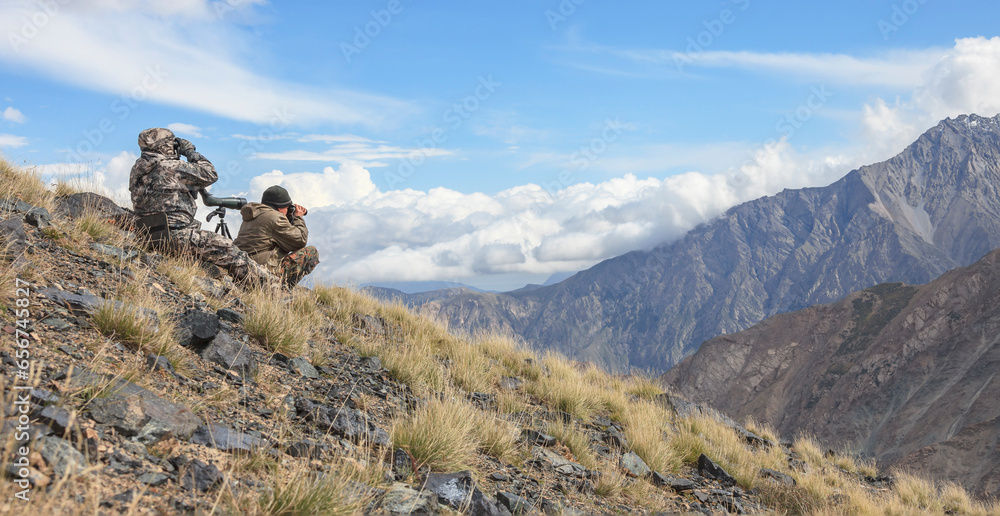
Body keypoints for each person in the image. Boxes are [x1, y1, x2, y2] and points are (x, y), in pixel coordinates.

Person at [129, 127, 278, 287]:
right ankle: (272, 287)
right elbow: (210, 173)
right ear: (165, 146)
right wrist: (190, 152)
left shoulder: (138, 169)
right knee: (229, 249)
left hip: (147, 232)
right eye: (172, 144)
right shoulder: (171, 167)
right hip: (174, 234)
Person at [233, 185, 320, 288]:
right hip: (262, 274)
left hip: (242, 270)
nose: (288, 211)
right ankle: (281, 289)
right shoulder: (275, 218)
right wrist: (298, 218)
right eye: (287, 208)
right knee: (310, 252)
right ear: (280, 207)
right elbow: (300, 240)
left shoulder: (254, 215)